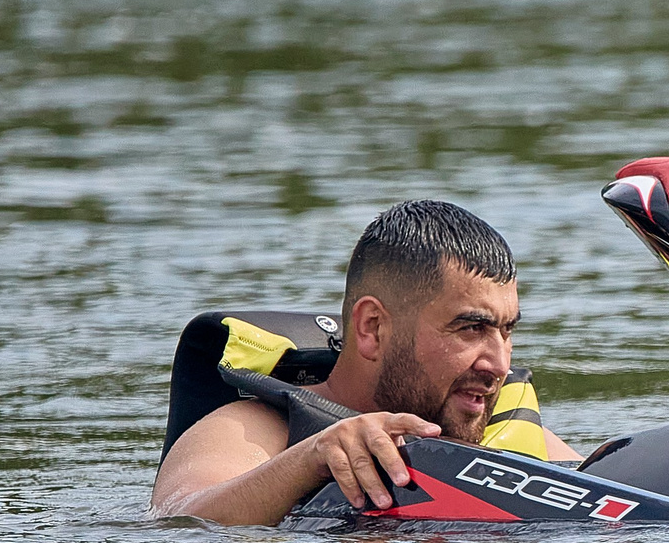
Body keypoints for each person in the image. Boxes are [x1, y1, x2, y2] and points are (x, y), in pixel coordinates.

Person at [151, 200, 573, 525]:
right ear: (372, 327)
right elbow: (179, 526)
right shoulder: (257, 430)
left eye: (506, 331)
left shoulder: (506, 431)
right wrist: (314, 456)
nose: (498, 364)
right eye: (471, 329)